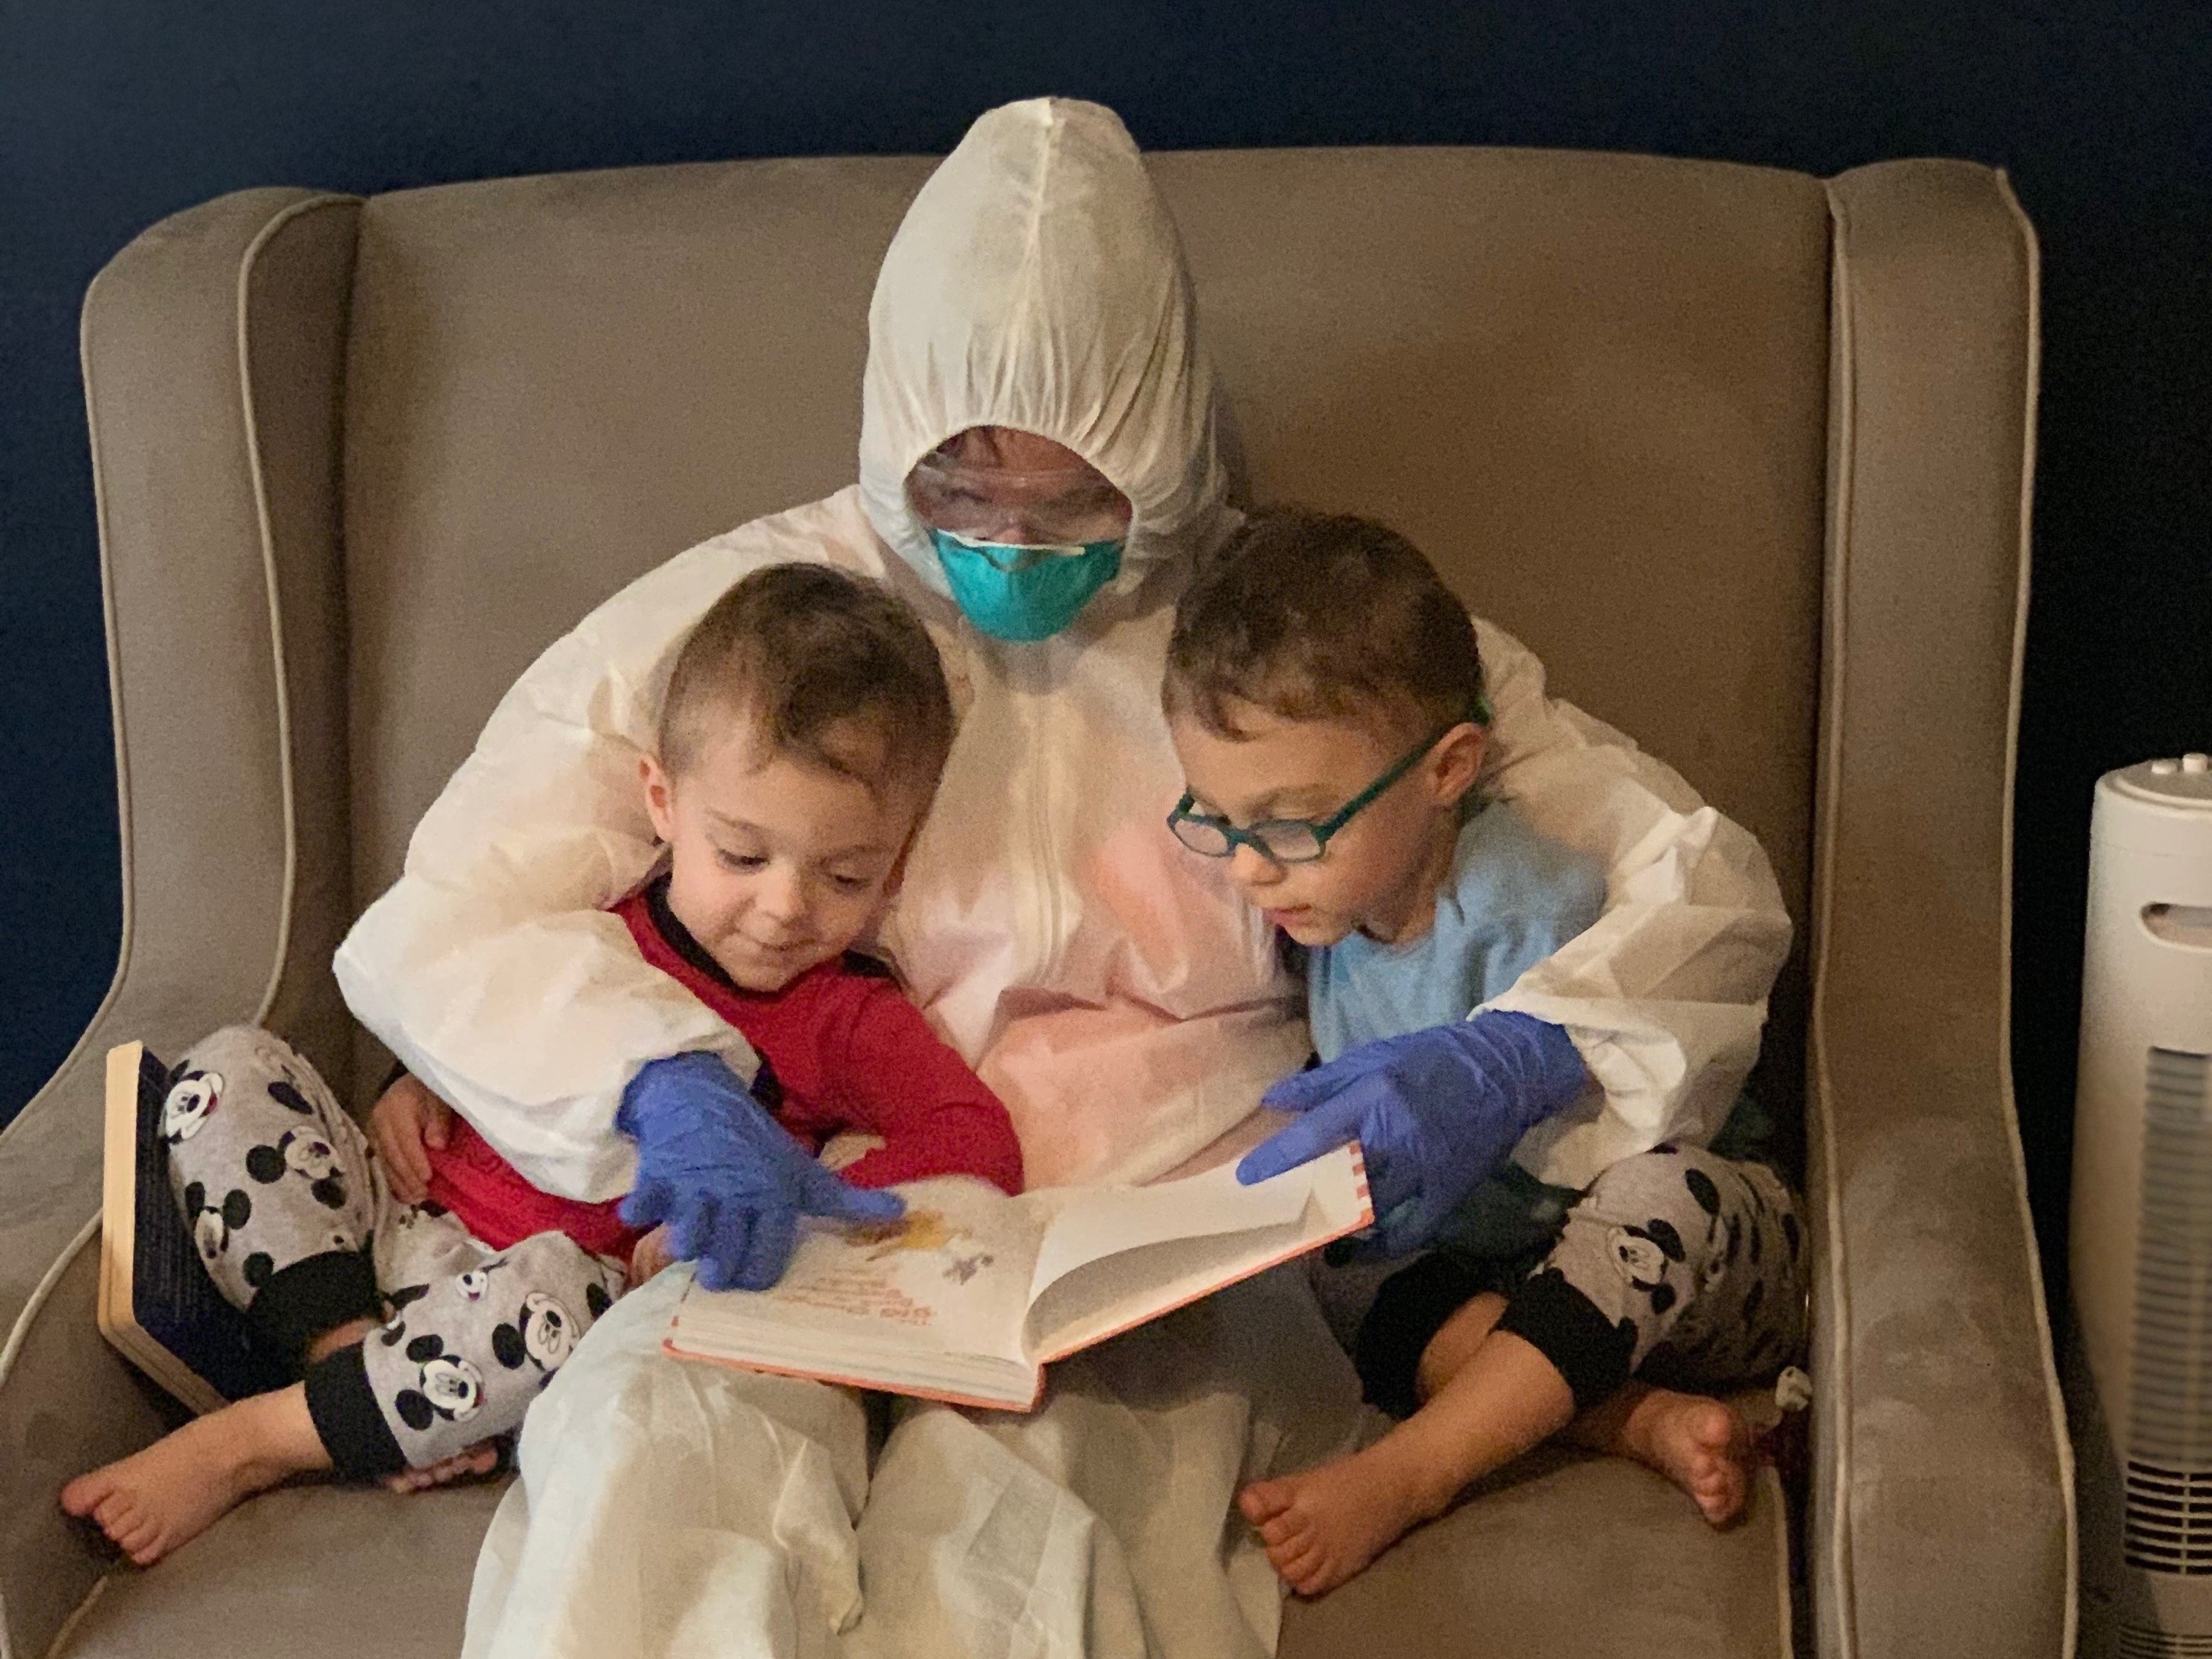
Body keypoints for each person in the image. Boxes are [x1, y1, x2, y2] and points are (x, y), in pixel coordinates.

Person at [335, 99, 1791, 1659]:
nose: (1014, 542)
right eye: (963, 493)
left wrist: (1519, 1054)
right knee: (646, 1480)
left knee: (1031, 1569)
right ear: (895, 435)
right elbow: (452, 912)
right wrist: (655, 1076)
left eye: (1076, 498)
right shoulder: (757, 620)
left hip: (1169, 1242)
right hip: (809, 1206)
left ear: (1162, 447)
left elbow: (1695, 883)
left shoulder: (1291, 637)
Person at [61, 563, 1022, 1567]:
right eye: (742, 855)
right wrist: (418, 1081)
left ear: (897, 865)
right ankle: (340, 1365)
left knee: (565, 1296)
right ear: (663, 801)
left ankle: (254, 1445)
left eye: (846, 876)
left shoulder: (846, 1017)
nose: (785, 907)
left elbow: (975, 1138)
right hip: (386, 1223)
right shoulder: (588, 912)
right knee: (231, 1064)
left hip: (537, 1312)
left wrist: (794, 1201)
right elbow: (475, 995)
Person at [1159, 508, 1807, 1597]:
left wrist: (1512, 1062)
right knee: (1329, 1274)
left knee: (1662, 1199)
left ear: (1449, 768)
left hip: (1697, 1260)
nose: (1248, 870)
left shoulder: (1522, 895)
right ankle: (1627, 1420)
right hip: (1519, 1285)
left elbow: (1675, 1002)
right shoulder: (1334, 902)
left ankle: (1415, 1470)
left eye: (1289, 824)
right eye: (1216, 821)